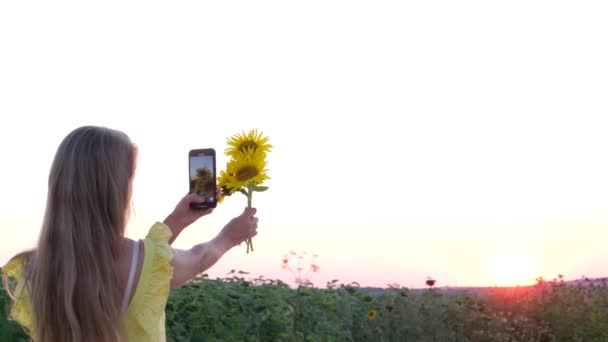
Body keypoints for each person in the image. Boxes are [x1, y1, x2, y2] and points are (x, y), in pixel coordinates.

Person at [1, 126, 259, 342]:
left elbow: (140, 262)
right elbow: (197, 257)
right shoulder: (143, 260)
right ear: (115, 190)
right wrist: (229, 236)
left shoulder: (33, 268)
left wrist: (176, 221)